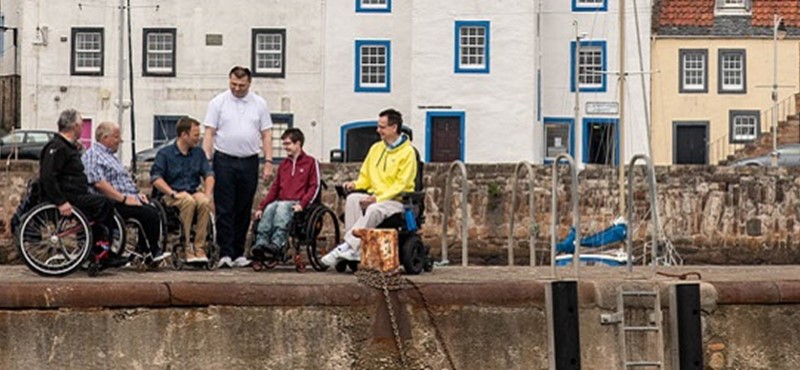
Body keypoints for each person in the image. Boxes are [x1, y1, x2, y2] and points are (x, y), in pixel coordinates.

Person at [320, 108, 417, 267]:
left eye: (382, 127)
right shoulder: (376, 149)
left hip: (396, 201)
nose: (378, 130)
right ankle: (355, 249)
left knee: (374, 209)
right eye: (378, 126)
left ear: (394, 128)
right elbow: (366, 176)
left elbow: (401, 184)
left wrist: (378, 198)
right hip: (376, 196)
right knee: (352, 199)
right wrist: (355, 184)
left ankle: (348, 246)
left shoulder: (408, 153)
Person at [203, 66, 274, 268]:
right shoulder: (218, 102)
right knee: (224, 207)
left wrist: (268, 162)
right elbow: (209, 132)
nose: (237, 88)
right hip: (224, 159)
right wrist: (206, 162)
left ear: (249, 84)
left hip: (249, 160)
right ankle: (225, 251)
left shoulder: (259, 103)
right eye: (233, 84)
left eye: (241, 85)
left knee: (244, 207)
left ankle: (238, 251)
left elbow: (266, 133)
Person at [39, 109, 128, 268]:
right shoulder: (57, 147)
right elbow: (48, 176)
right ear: (75, 126)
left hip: (78, 193)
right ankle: (101, 248)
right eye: (80, 125)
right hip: (69, 196)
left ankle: (99, 248)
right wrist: (61, 202)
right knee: (105, 203)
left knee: (102, 207)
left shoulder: (70, 147)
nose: (82, 129)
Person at [82, 122, 168, 264]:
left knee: (154, 206)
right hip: (111, 202)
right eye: (117, 137)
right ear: (105, 138)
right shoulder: (93, 155)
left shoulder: (110, 156)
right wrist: (123, 199)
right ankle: (152, 251)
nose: (120, 140)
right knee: (149, 213)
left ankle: (144, 250)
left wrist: (137, 194)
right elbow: (98, 183)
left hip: (127, 197)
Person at [150, 117, 215, 264]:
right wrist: (172, 192)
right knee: (188, 201)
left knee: (203, 202)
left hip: (192, 190)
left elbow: (209, 174)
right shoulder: (165, 154)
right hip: (171, 194)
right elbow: (156, 178)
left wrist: (207, 193)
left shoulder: (198, 154)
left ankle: (200, 247)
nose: (198, 139)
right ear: (184, 135)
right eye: (195, 135)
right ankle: (186, 247)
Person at [252, 128, 320, 260]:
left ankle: (278, 244)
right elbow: (274, 188)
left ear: (298, 144)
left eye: (288, 144)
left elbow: (314, 186)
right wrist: (262, 207)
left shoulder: (311, 162)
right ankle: (261, 244)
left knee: (282, 208)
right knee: (270, 209)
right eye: (284, 144)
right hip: (282, 201)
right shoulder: (284, 165)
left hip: (297, 202)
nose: (285, 147)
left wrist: (303, 204)